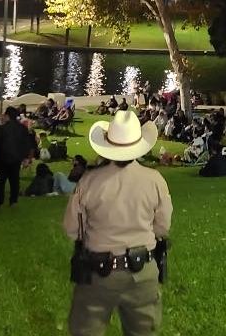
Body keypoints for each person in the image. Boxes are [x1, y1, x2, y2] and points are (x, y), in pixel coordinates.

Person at [62, 109, 172, 336]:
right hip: (142, 270)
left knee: (85, 331)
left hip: (97, 272)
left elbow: (73, 229)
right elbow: (162, 227)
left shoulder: (89, 181)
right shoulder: (155, 180)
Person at [0, 107, 37, 208]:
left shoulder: (2, 128)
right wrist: (25, 158)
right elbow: (26, 144)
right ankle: (13, 201)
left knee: (0, 182)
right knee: (14, 181)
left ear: (7, 116)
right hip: (16, 159)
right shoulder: (22, 128)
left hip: (2, 159)